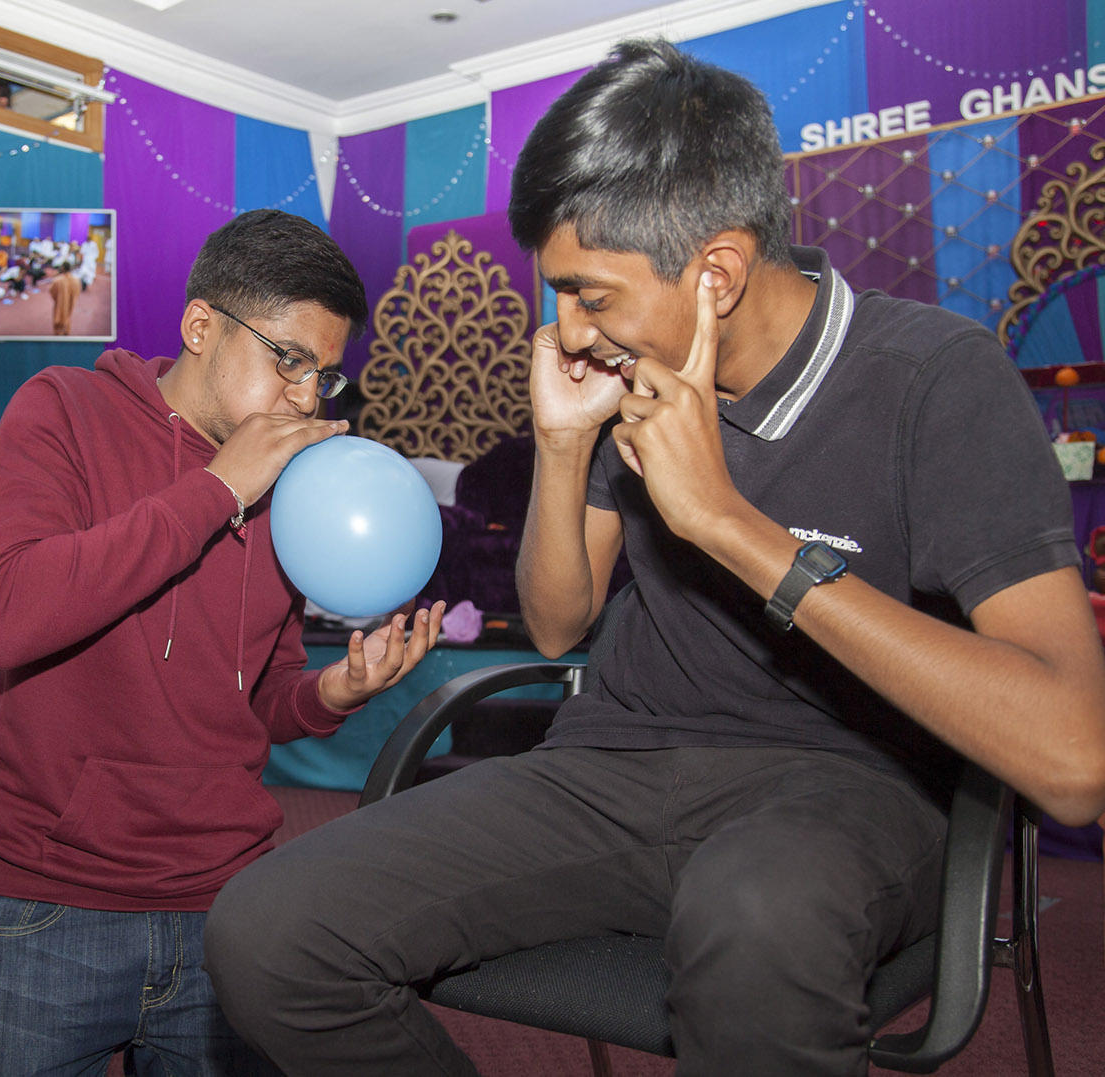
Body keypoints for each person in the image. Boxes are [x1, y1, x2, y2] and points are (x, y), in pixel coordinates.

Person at [203, 39, 1105, 1076]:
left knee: (757, 916)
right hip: (609, 769)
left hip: (849, 785)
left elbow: (1074, 764)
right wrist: (559, 443)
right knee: (270, 931)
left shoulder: (936, 380)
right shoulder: (634, 381)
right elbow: (553, 624)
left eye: (590, 297)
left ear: (715, 272)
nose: (569, 335)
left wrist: (728, 525)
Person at [0, 208, 447, 1076]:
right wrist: (216, 490)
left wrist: (333, 693)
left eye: (322, 376)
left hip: (227, 902)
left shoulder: (292, 485)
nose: (303, 396)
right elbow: (5, 616)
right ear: (200, 326)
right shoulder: (63, 410)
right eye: (288, 359)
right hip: (48, 901)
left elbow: (261, 692)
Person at [48, 257, 81, 336]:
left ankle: (59, 332)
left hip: (60, 303)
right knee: (68, 316)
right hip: (71, 303)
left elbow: (52, 291)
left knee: (59, 316)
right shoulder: (76, 281)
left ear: (62, 268)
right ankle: (66, 330)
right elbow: (77, 293)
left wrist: (59, 298)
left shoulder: (57, 281)